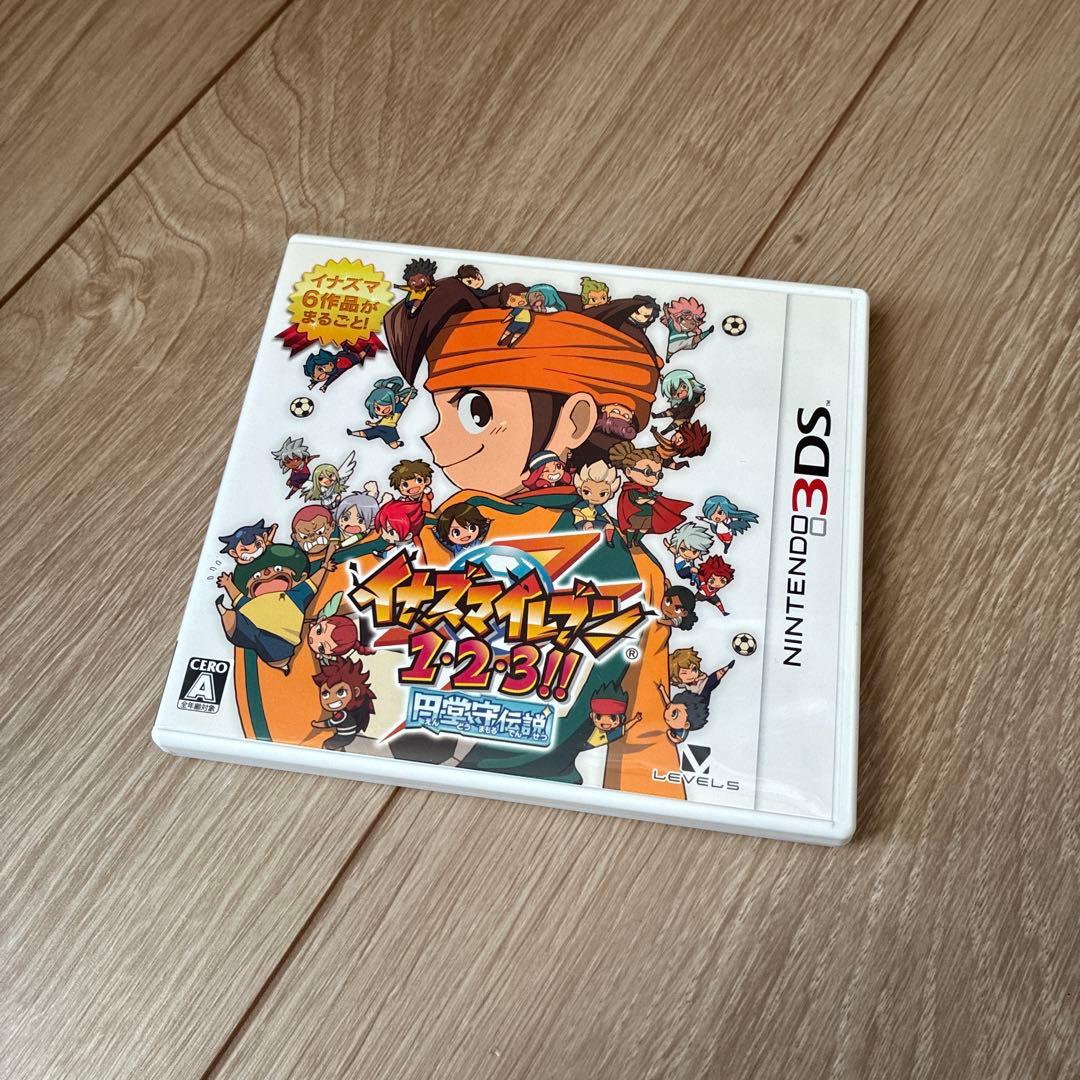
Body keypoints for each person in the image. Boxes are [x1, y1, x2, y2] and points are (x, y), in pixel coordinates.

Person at [214, 541, 339, 672]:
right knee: (248, 632)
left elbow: (313, 583)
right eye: (256, 576)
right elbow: (238, 598)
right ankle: (228, 616)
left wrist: (324, 568)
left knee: (250, 633)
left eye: (278, 569)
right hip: (257, 634)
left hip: (281, 640)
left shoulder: (295, 596)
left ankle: (227, 614)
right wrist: (228, 584)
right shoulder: (252, 604)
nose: (267, 573)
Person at [311, 657, 376, 750]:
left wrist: (315, 724)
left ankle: (338, 751)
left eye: (340, 693)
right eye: (325, 694)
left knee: (327, 744)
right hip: (346, 736)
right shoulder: (344, 712)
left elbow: (328, 723)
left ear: (355, 692)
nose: (331, 699)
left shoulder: (342, 714)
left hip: (344, 737)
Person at [347, 376, 417, 448]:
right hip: (379, 428)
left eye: (382, 407)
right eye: (376, 408)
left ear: (395, 400)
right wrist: (370, 424)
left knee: (393, 446)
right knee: (365, 433)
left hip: (389, 430)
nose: (380, 411)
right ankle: (351, 433)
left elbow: (405, 401)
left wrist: (410, 392)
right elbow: (377, 424)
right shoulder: (384, 418)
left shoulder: (397, 410)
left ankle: (398, 443)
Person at [660, 297, 713, 361]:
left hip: (684, 341)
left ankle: (707, 332)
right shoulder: (673, 326)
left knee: (691, 337)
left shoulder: (686, 331)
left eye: (693, 324)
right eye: (687, 320)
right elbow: (669, 318)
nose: (689, 325)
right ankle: (668, 357)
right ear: (679, 318)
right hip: (674, 344)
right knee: (672, 351)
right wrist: (665, 310)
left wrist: (665, 310)